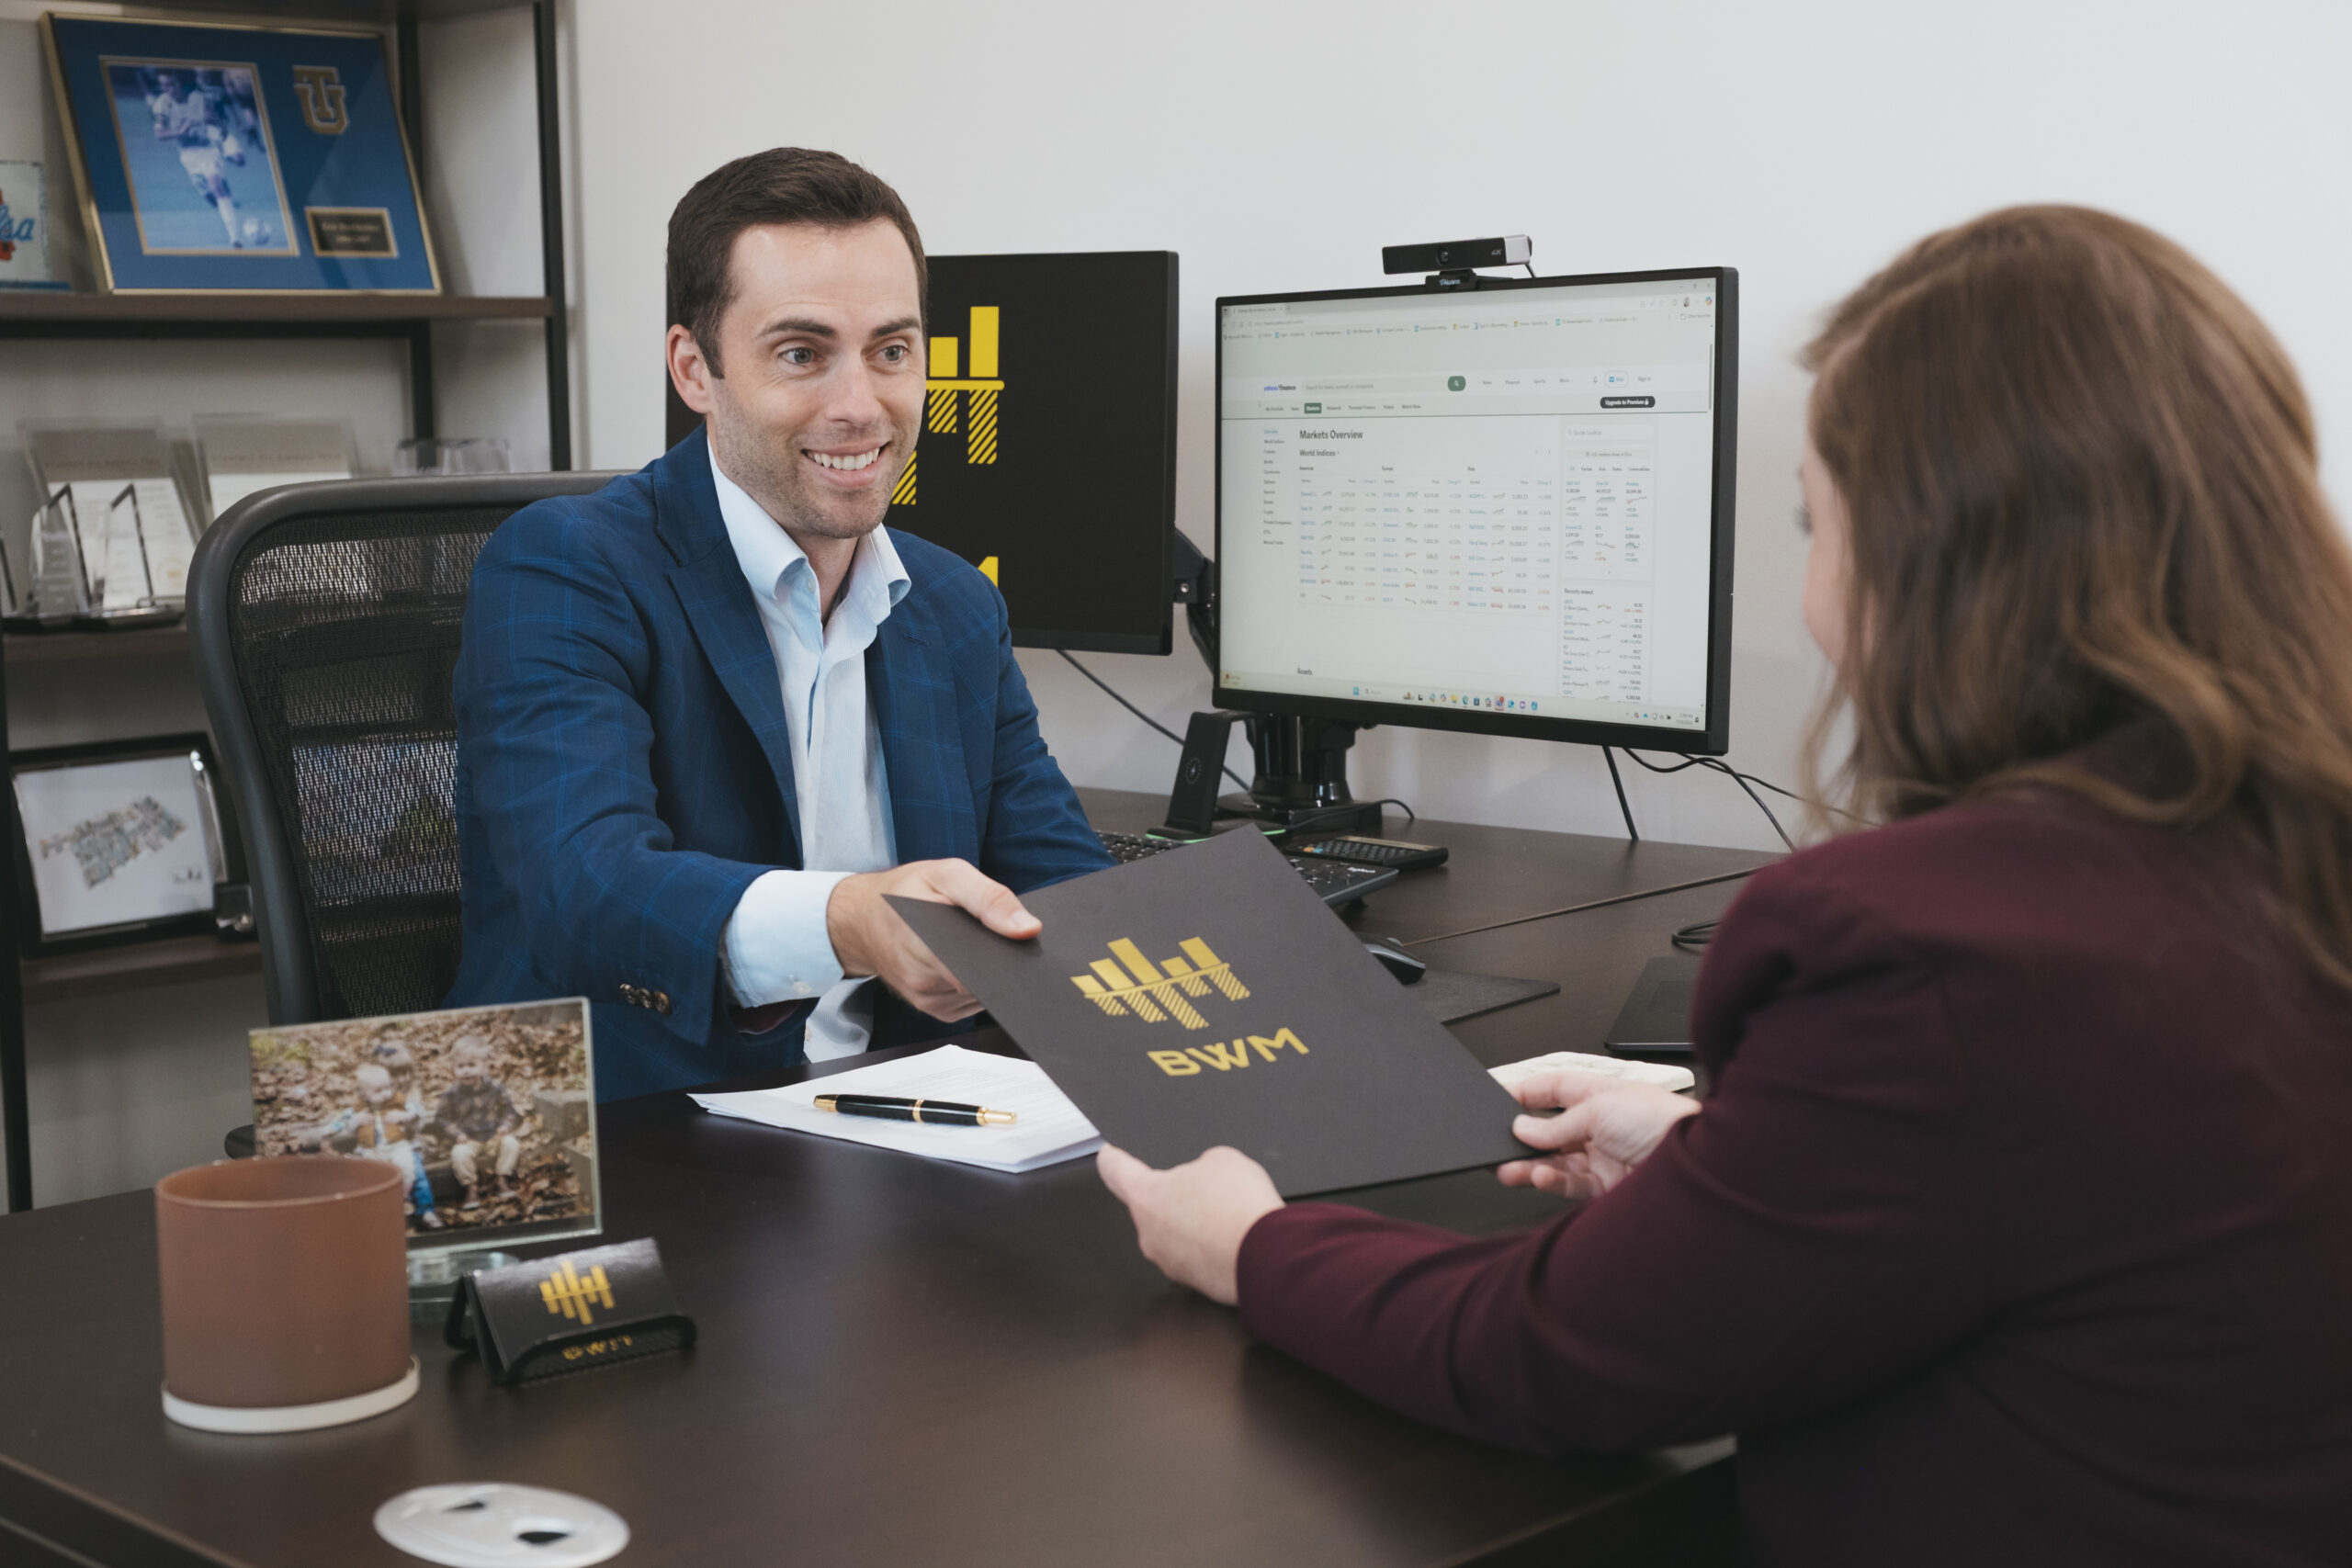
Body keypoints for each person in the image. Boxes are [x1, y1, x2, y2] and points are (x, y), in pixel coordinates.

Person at [1098, 206, 2352, 1565]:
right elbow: (2053, 1182)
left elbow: (1557, 1357)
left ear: (1938, 558)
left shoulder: (1928, 945)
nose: (1814, 598)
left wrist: (1255, 1242)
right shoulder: (2286, 854)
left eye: (1822, 526)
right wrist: (1727, 1154)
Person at [448, 148, 1111, 1099]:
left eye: (891, 350)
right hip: (645, 1138)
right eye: (801, 354)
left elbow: (1068, 899)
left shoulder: (955, 604)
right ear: (695, 370)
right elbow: (583, 892)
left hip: (901, 1129)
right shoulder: (565, 567)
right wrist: (851, 920)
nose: (860, 405)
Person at [435, 1036, 523, 1211]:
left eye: (471, 1065)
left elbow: (509, 1110)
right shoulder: (451, 1094)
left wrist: (505, 1125)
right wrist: (456, 1133)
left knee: (511, 1143)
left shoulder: (495, 1088)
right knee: (459, 1154)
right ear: (453, 1069)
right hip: (469, 1139)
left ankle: (502, 1178)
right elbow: (442, 1118)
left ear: (483, 1067)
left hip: (493, 1135)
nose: (466, 1071)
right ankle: (471, 1187)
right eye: (460, 1066)